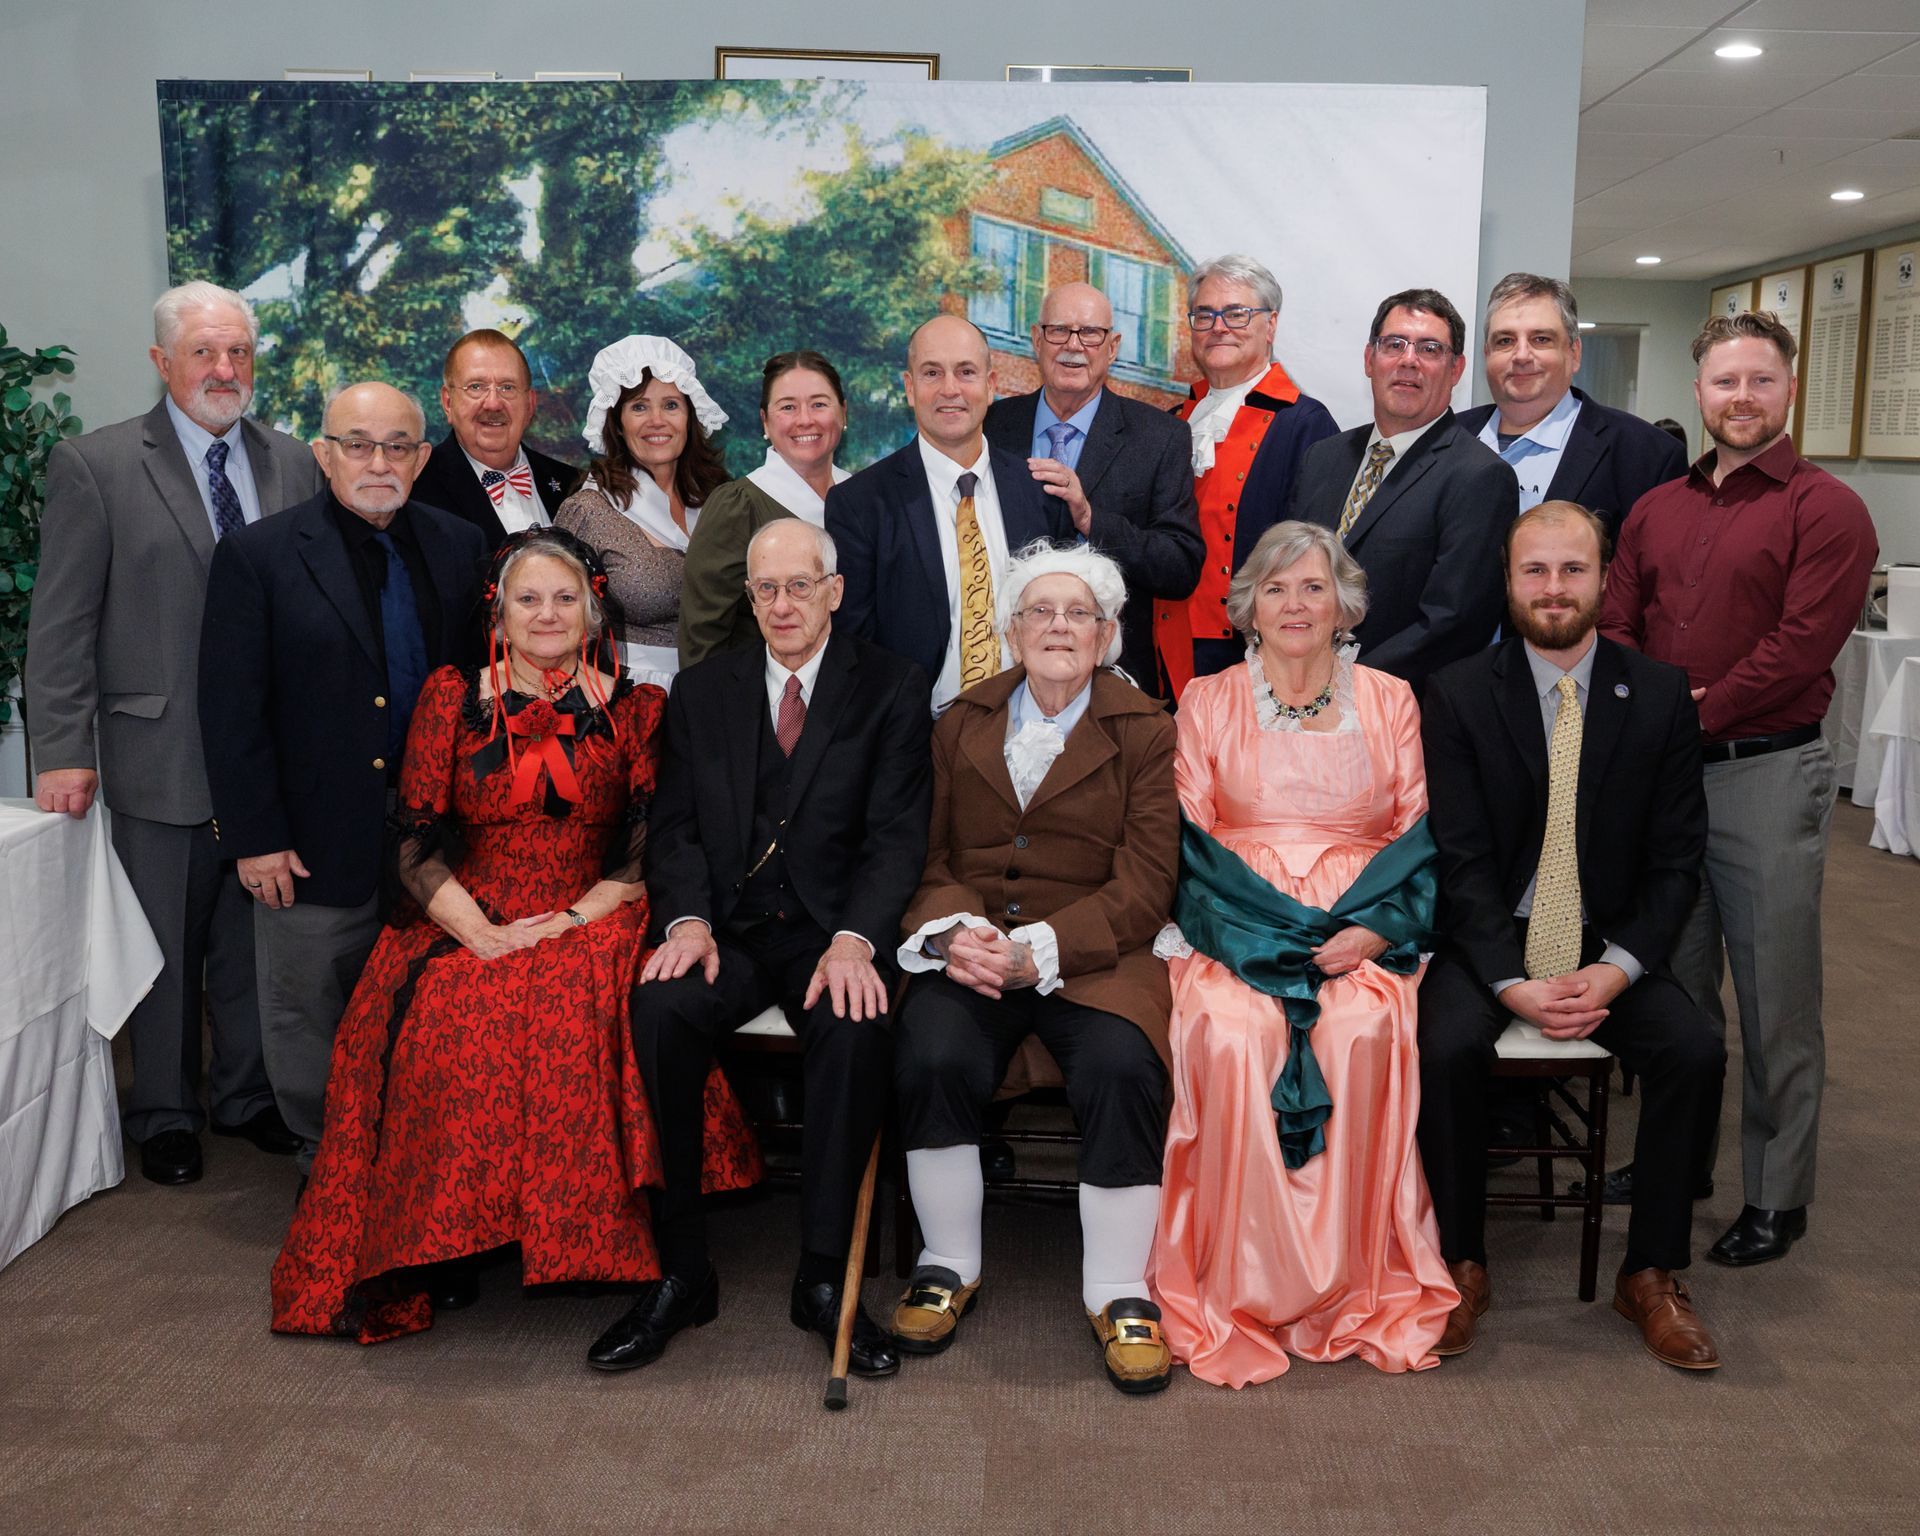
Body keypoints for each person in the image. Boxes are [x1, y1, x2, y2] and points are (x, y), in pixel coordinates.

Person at [270, 528, 760, 1340]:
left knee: (571, 1008)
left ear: (594, 612)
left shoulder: (638, 709)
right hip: (471, 905)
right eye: (528, 599)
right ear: (498, 613)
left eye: (565, 598)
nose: (547, 614)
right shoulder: (452, 698)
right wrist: (481, 931)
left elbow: (649, 849)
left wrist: (566, 922)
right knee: (450, 1012)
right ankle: (449, 1237)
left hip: (594, 907)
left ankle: (576, 1232)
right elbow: (414, 842)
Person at [586, 519, 932, 1377]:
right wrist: (688, 922)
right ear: (747, 598)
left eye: (800, 585)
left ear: (834, 591)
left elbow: (897, 838)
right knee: (660, 1008)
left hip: (829, 934)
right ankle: (682, 1271)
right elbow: (674, 829)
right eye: (766, 589)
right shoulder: (704, 690)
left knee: (856, 1028)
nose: (783, 604)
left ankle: (822, 1278)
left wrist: (856, 940)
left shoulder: (891, 686)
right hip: (729, 931)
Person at [1417, 502, 1727, 1369]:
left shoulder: (1659, 694)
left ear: (1603, 579)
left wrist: (1618, 971)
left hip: (1608, 942)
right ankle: (1458, 1263)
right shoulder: (1457, 692)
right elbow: (1459, 860)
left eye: (1573, 569)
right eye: (1535, 570)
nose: (1554, 588)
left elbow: (1676, 863)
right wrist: (1510, 980)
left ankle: (1651, 1271)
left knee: (1695, 1050)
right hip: (1490, 939)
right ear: (1508, 581)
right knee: (1441, 1047)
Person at [24, 280, 320, 1185]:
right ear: (162, 361)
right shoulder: (97, 464)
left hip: (270, 757)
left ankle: (245, 1094)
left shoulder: (293, 461)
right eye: (203, 352)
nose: (224, 370)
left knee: (252, 936)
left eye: (239, 352)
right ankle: (162, 1109)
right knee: (159, 945)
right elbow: (61, 623)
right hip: (160, 753)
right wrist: (62, 750)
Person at [1148, 521, 1456, 1387]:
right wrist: (1262, 937)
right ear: (1249, 607)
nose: (1295, 605)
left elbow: (1418, 835)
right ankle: (1237, 1282)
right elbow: (1190, 840)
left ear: (1343, 605)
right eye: (1276, 589)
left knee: (1359, 1032)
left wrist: (1379, 930)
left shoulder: (1391, 698)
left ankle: (1349, 1286)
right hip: (1237, 923)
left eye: (1313, 587)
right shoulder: (1207, 698)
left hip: (1361, 923)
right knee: (1230, 1033)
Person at [1601, 310, 1877, 1268]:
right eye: (1726, 382)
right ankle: (1680, 1164)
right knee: (1677, 992)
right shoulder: (1655, 509)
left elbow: (1802, 645)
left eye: (1761, 380)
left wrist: (1686, 712)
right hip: (1668, 785)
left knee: (1775, 998)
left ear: (1790, 388)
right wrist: (1650, 711)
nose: (1743, 397)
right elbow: (1617, 618)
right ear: (1700, 393)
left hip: (1766, 774)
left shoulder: (1828, 509)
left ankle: (1778, 1195)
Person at [889, 542, 1179, 1394]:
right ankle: (947, 1263)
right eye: (1040, 612)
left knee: (1124, 1063)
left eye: (1079, 612)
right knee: (931, 1052)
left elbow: (1148, 881)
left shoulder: (1148, 729)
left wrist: (1041, 951)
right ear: (1011, 632)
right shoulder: (958, 721)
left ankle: (1119, 1290)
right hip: (974, 948)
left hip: (1098, 953)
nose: (1059, 626)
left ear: (1107, 634)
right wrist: (955, 933)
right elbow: (927, 854)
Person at [198, 382, 487, 1173]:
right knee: (309, 1005)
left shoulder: (462, 546)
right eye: (357, 444)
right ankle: (326, 1163)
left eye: (398, 446)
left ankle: (417, 1166)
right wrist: (255, 839)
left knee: (430, 1003)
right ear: (324, 455)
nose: (378, 462)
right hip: (310, 835)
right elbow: (231, 712)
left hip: (439, 830)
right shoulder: (258, 556)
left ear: (422, 458)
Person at [828, 315, 1073, 712]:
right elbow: (855, 647)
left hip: (1032, 721)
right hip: (917, 732)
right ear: (910, 388)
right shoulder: (859, 504)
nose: (950, 389)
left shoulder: (1040, 492)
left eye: (965, 372)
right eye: (931, 373)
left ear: (991, 386)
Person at [1289, 287, 1519, 691]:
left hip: (1396, 706)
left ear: (1456, 369)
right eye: (1394, 344)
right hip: (1293, 688)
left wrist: (1342, 685)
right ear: (1369, 359)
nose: (1408, 360)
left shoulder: (1480, 476)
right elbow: (1286, 573)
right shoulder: (1321, 458)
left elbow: (1454, 621)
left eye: (1430, 349)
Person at [983, 282, 1203, 694]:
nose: (1073, 345)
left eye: (1090, 333)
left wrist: (1090, 519)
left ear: (1113, 347)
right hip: (1000, 673)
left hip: (1111, 682)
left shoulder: (1160, 438)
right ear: (1036, 339)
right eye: (1059, 331)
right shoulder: (991, 426)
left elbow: (1180, 566)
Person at [1154, 254, 1339, 700]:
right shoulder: (1172, 420)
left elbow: (1313, 557)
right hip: (1165, 639)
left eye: (1237, 313)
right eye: (1204, 315)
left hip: (1255, 650)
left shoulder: (1305, 423)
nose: (1219, 327)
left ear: (1270, 325)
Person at [556, 335, 730, 689]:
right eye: (639, 407)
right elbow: (555, 619)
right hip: (628, 693)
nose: (657, 420)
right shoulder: (589, 509)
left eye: (671, 405)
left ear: (690, 416)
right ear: (618, 423)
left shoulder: (721, 500)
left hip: (718, 688)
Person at [1457, 274, 1687, 536]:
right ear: (1487, 354)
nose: (1521, 355)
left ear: (1574, 353)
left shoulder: (1649, 456)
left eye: (1541, 339)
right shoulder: (1447, 438)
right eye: (1505, 341)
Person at [677, 349, 852, 666]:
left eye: (819, 404)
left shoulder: (864, 497)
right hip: (761, 691)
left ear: (843, 413)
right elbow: (703, 637)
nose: (805, 419)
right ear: (765, 421)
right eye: (788, 407)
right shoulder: (738, 506)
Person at [409, 328, 579, 548]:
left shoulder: (573, 485)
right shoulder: (415, 490)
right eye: (476, 387)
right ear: (448, 403)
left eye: (507, 387)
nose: (493, 403)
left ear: (529, 405)